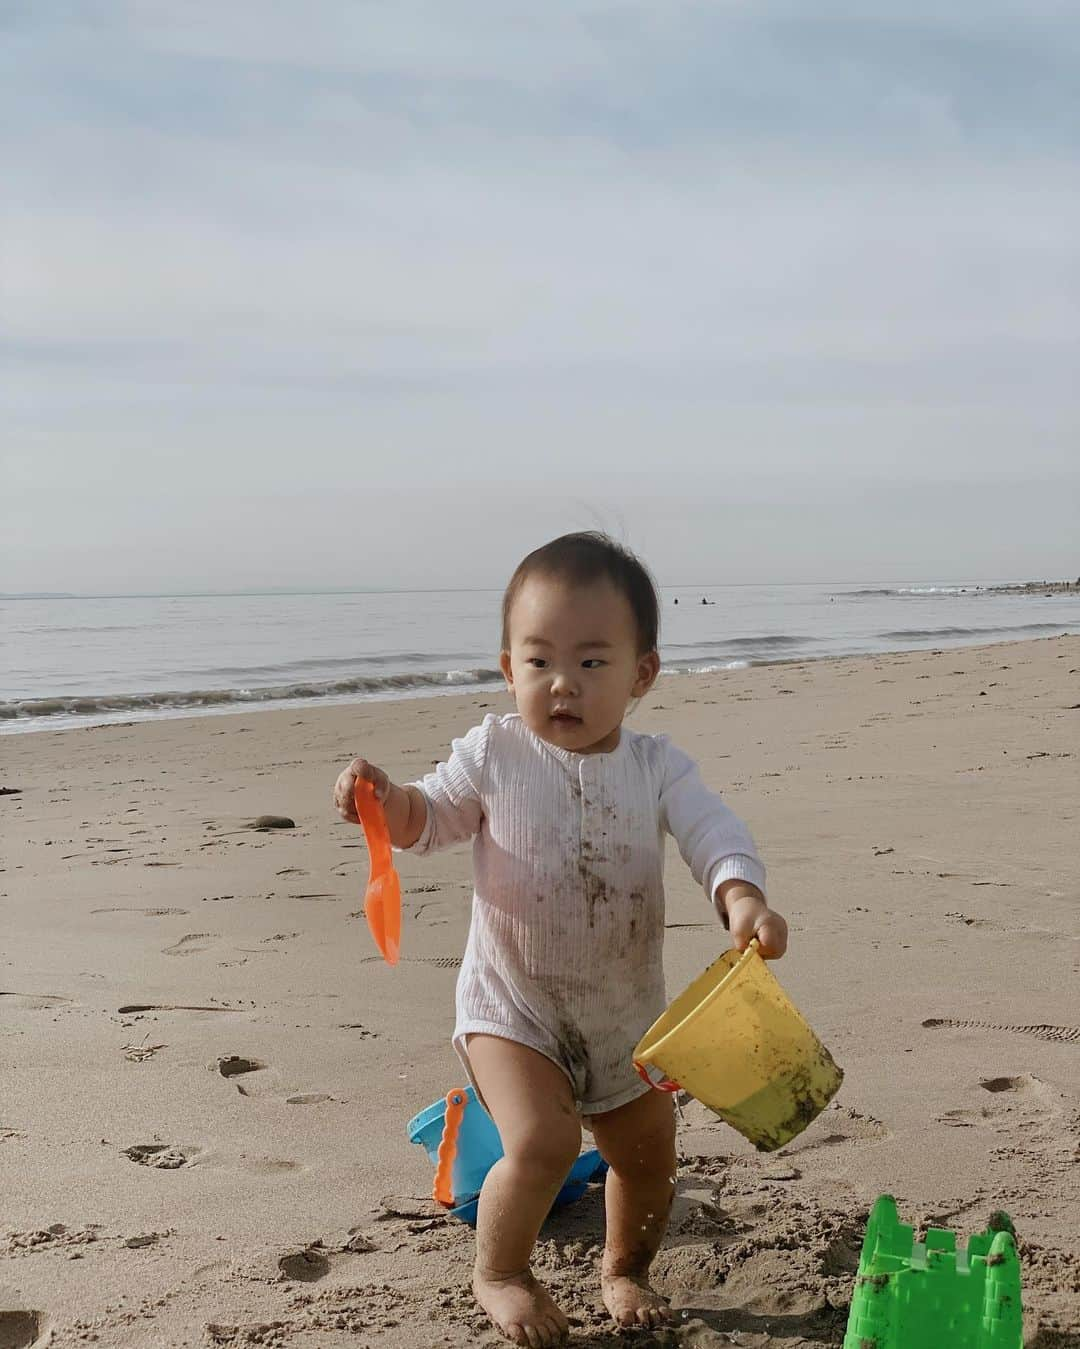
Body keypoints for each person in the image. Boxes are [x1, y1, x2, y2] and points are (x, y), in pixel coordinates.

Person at [332, 532, 788, 1347]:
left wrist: (741, 895)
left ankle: (625, 1267)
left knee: (648, 1157)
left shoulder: (657, 768)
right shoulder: (493, 753)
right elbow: (426, 818)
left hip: (625, 1020)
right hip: (512, 1006)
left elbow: (712, 831)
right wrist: (382, 795)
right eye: (539, 661)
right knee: (542, 1141)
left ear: (641, 673)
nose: (562, 684)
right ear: (508, 667)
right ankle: (501, 1270)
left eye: (591, 662)